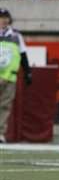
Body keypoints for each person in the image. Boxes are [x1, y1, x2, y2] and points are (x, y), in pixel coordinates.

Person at [0, 8, 32, 143]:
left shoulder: (16, 36)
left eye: (6, 17)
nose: (4, 20)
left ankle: (0, 132)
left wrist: (27, 71)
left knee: (5, 106)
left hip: (10, 76)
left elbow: (23, 54)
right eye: (1, 17)